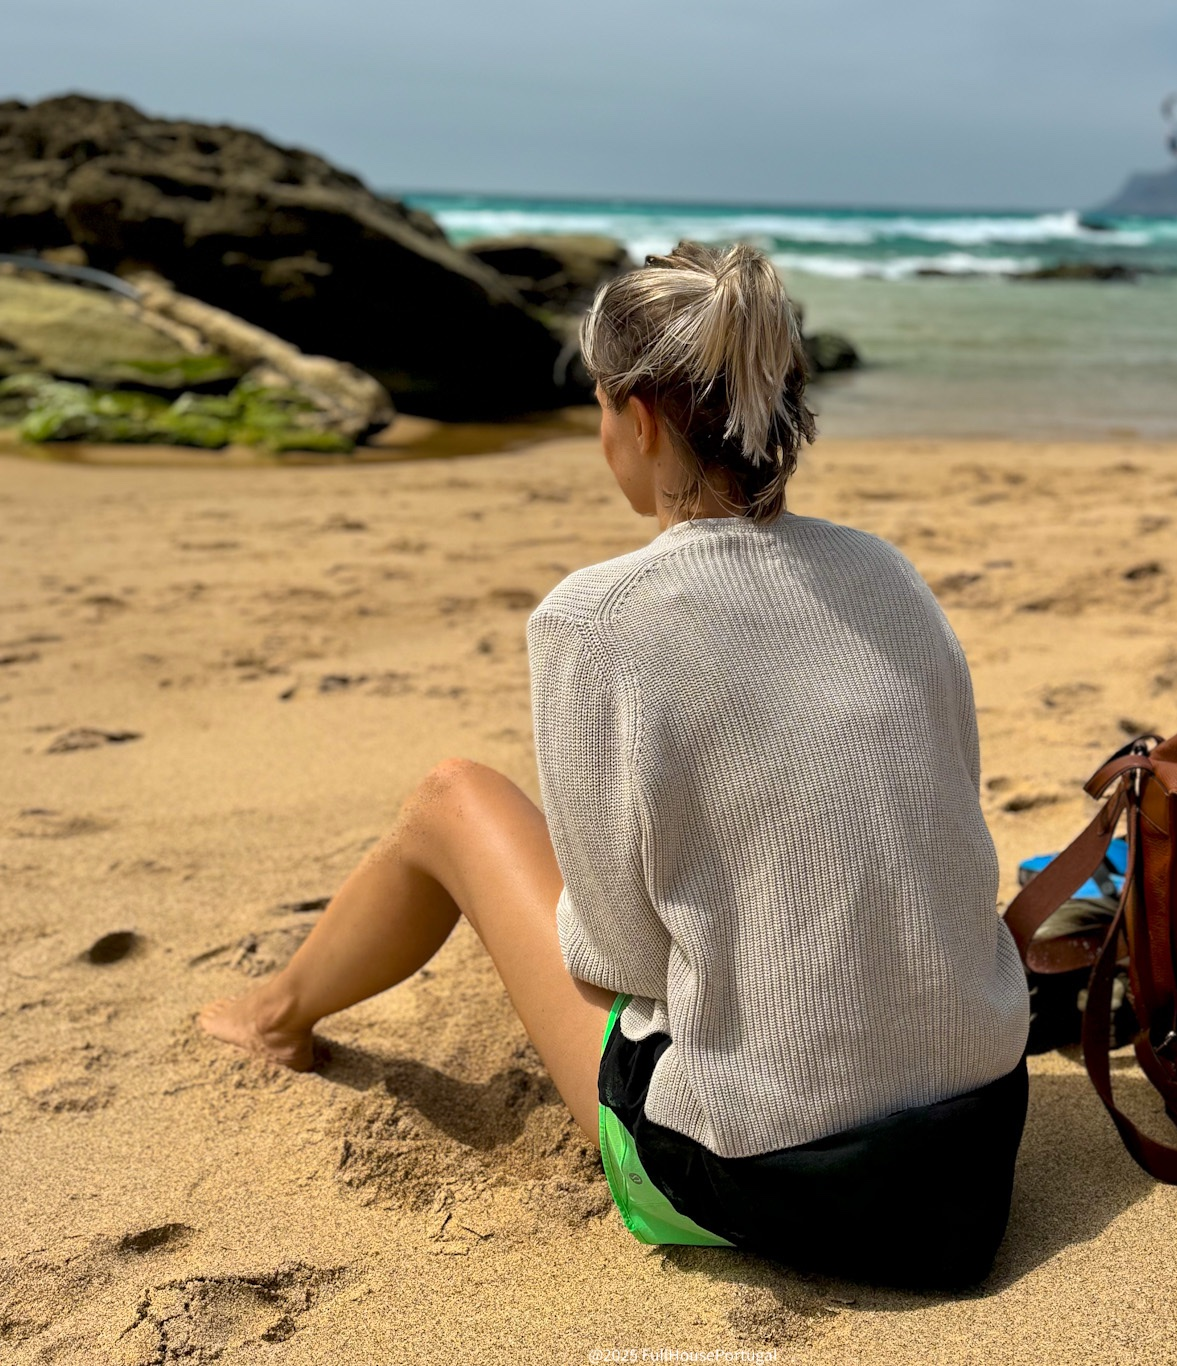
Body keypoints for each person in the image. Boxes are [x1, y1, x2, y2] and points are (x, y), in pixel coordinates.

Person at [198, 241, 1031, 1287]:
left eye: (601, 408)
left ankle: (275, 1014)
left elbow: (608, 966)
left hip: (766, 1182)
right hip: (972, 1142)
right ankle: (279, 1005)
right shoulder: (886, 577)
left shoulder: (597, 619)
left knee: (454, 798)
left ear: (638, 418)